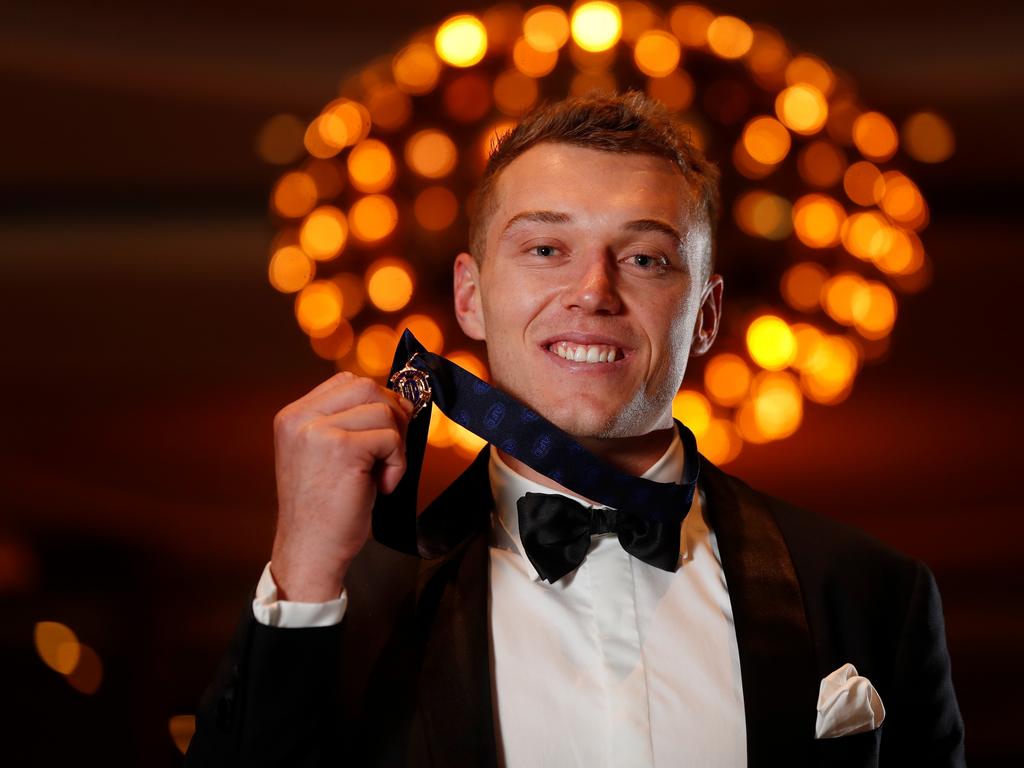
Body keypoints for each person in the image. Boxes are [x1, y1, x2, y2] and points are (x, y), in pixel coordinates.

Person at [186, 92, 964, 767]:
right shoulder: (348, 603)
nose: (593, 292)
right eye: (546, 248)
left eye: (647, 259)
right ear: (470, 296)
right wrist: (301, 572)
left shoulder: (870, 592)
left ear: (707, 315)